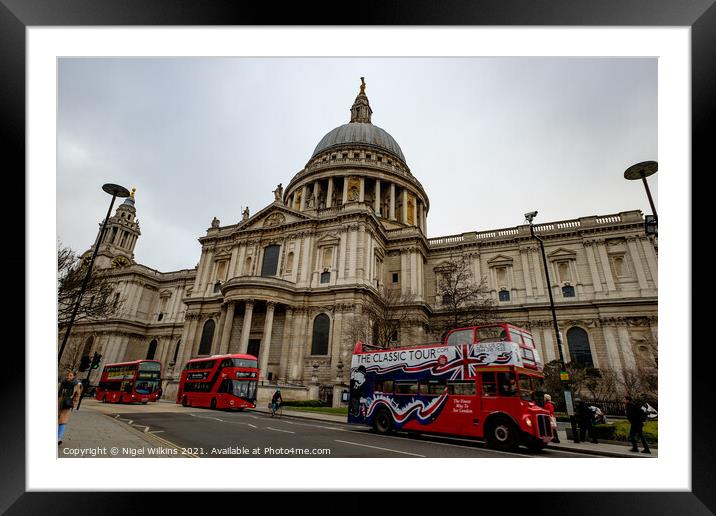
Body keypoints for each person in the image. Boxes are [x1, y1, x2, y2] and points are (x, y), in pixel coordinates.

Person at [57, 370, 82, 446]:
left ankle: (59, 438)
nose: (69, 376)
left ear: (74, 376)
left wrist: (73, 404)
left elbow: (77, 395)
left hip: (67, 404)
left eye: (71, 375)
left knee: (62, 421)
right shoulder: (62, 382)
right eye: (68, 375)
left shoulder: (76, 385)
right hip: (59, 402)